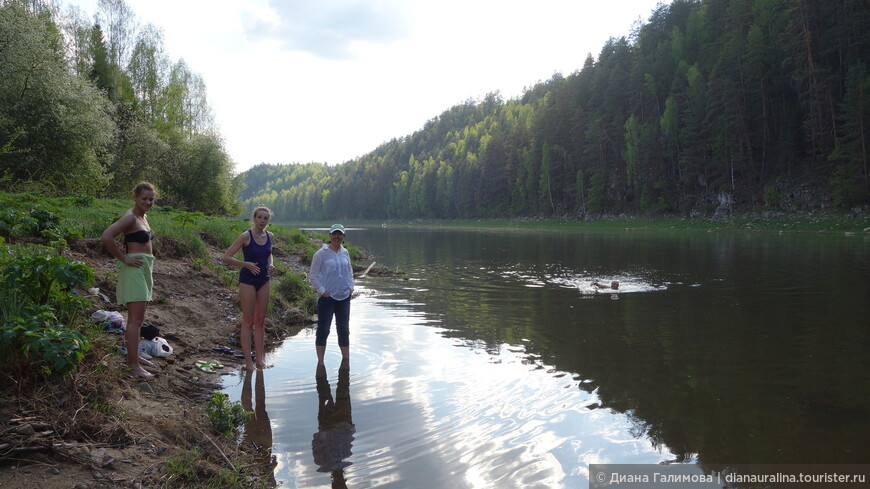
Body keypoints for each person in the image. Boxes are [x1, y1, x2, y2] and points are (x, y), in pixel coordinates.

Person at [100, 182, 158, 378]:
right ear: (135, 197)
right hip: (134, 270)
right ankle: (133, 366)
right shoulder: (130, 217)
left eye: (151, 199)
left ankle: (135, 356)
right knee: (135, 320)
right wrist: (123, 258)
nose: (148, 202)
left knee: (138, 320)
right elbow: (107, 237)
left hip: (144, 270)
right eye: (144, 199)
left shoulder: (143, 217)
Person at [222, 205, 275, 370]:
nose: (262, 221)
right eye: (259, 217)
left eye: (265, 218)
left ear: (268, 220)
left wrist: (271, 264)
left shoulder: (270, 236)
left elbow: (269, 253)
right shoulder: (246, 236)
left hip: (264, 280)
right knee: (248, 321)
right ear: (254, 218)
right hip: (247, 281)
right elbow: (226, 257)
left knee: (260, 321)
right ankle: (249, 363)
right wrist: (246, 264)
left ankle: (260, 360)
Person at [309, 224, 354, 363]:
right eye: (334, 234)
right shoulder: (321, 254)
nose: (337, 237)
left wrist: (351, 286)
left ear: (343, 236)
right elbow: (313, 275)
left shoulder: (345, 252)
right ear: (330, 236)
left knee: (344, 329)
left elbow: (349, 271)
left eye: (339, 234)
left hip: (344, 297)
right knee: (323, 329)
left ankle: (346, 359)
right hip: (327, 298)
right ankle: (320, 362)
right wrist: (323, 292)